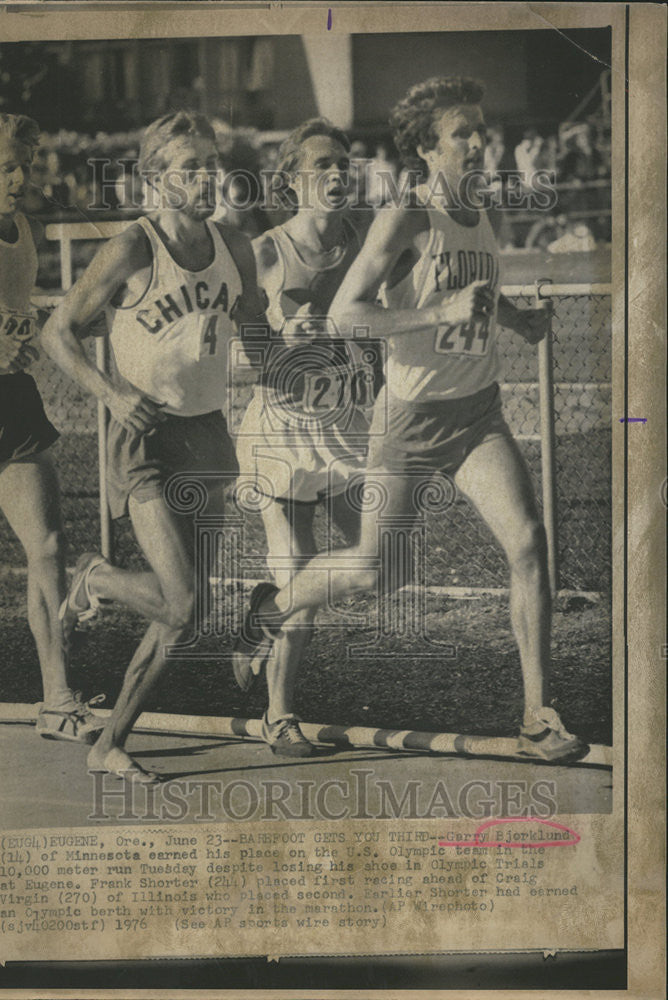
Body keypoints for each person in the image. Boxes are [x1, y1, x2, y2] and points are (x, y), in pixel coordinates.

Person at [234, 78, 588, 762]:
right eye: (466, 134)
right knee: (375, 569)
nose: (482, 143)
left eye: (482, 131)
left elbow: (474, 288)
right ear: (428, 147)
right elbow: (346, 315)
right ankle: (269, 613)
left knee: (528, 542)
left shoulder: (480, 206)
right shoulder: (405, 216)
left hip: (478, 413)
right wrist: (438, 315)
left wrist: (516, 319)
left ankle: (538, 716)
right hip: (410, 420)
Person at [41, 111, 268, 783]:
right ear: (155, 179)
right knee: (180, 601)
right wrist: (110, 393)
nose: (208, 178)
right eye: (191, 168)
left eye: (212, 164)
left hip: (207, 433)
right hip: (145, 436)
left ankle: (109, 742)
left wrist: (312, 371)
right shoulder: (133, 248)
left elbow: (256, 334)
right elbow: (58, 332)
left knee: (181, 618)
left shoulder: (236, 246)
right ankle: (95, 579)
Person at [234, 118, 378, 756]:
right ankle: (280, 716)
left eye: (343, 162)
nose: (337, 173)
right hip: (281, 433)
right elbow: (230, 356)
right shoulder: (264, 252)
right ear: (293, 180)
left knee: (379, 565)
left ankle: (263, 620)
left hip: (345, 433)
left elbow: (384, 325)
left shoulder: (367, 241)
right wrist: (279, 345)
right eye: (322, 164)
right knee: (297, 568)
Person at [0, 110, 104, 742]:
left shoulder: (24, 230)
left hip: (5, 402)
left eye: (26, 164)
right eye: (6, 165)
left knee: (49, 549)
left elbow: (11, 317)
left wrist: (17, 336)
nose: (20, 176)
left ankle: (58, 697)